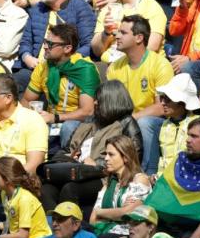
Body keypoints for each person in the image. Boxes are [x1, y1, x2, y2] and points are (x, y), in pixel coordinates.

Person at [44, 80, 142, 210]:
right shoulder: (91, 121)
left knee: (70, 189)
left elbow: (133, 157)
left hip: (104, 177)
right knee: (46, 189)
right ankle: (53, 227)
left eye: (99, 100)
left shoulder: (126, 123)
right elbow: (66, 149)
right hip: (75, 171)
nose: (94, 103)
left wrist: (97, 164)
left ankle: (72, 227)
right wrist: (67, 156)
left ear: (111, 101)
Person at [105, 15, 174, 174]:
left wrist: (130, 120)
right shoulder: (115, 67)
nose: (117, 36)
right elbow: (110, 106)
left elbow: (162, 107)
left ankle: (145, 175)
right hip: (123, 121)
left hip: (154, 123)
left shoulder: (160, 64)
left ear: (139, 38)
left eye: (123, 32)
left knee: (145, 123)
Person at [15, 0, 96, 93]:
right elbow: (26, 41)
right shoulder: (37, 10)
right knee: (10, 84)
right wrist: (27, 57)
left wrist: (65, 62)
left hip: (66, 70)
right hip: (34, 69)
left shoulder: (80, 8)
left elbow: (88, 45)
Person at [21, 24, 100, 148]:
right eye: (45, 42)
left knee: (68, 126)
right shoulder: (43, 66)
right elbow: (27, 100)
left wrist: (56, 117)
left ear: (67, 48)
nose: (45, 47)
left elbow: (88, 111)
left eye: (51, 44)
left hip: (77, 123)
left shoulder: (84, 69)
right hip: (51, 120)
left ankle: (65, 162)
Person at [0, 73, 48, 177]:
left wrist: (4, 181)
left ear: (8, 98)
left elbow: (34, 165)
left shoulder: (33, 120)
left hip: (20, 180)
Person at [91, 0, 167, 64]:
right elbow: (96, 51)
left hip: (143, 67)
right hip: (109, 65)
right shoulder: (108, 9)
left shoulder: (151, 7)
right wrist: (106, 32)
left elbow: (151, 47)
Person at [89, 135, 152, 238]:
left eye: (111, 154)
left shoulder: (140, 179)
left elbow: (129, 213)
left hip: (127, 236)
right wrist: (119, 211)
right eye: (106, 154)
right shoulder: (108, 184)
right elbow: (93, 219)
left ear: (125, 157)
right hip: (106, 232)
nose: (106, 158)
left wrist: (101, 212)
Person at [156, 74, 200, 176]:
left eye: (168, 99)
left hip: (185, 181)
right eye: (162, 98)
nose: (162, 103)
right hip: (162, 181)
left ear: (182, 102)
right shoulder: (164, 124)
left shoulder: (198, 125)